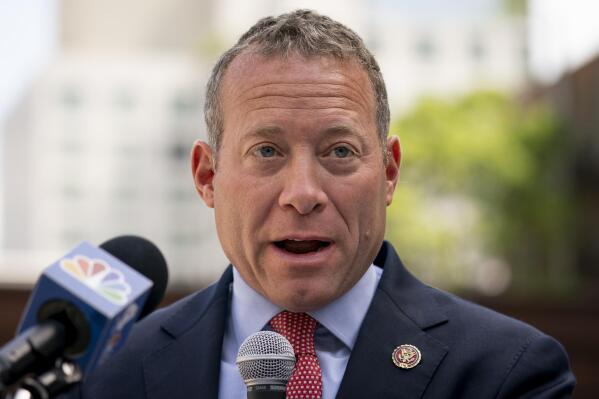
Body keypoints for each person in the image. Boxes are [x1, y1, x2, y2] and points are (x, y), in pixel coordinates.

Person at [70, 10, 575, 399]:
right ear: (207, 176)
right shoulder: (110, 374)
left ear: (389, 173)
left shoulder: (506, 372)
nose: (304, 194)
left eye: (339, 151)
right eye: (267, 151)